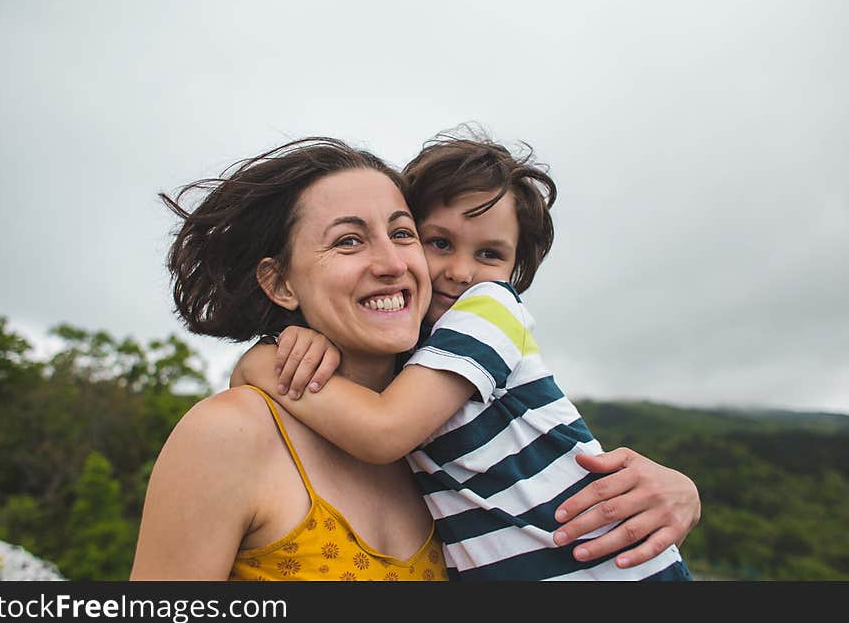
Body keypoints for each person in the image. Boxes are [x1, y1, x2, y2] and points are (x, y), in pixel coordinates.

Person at [231, 129, 699, 580]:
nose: (459, 271)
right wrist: (301, 340)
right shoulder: (411, 357)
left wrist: (260, 366)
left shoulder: (489, 307)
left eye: (490, 255)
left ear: (514, 271)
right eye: (439, 243)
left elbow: (383, 431)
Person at [131, 137, 449, 580]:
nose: (392, 263)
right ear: (280, 284)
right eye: (349, 241)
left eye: (402, 234)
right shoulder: (229, 434)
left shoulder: (451, 435)